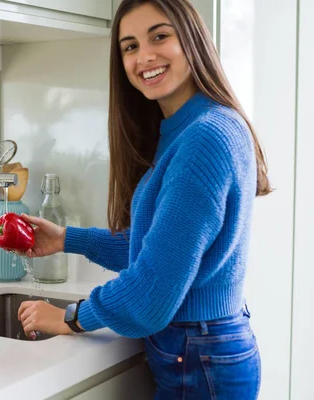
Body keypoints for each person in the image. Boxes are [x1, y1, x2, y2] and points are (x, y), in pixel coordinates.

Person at [16, 0, 270, 398]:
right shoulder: (190, 127)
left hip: (198, 360)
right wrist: (67, 239)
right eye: (130, 46)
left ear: (192, 40)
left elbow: (152, 291)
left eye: (160, 36)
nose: (144, 56)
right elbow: (159, 248)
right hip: (201, 352)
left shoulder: (204, 137)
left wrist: (70, 317)